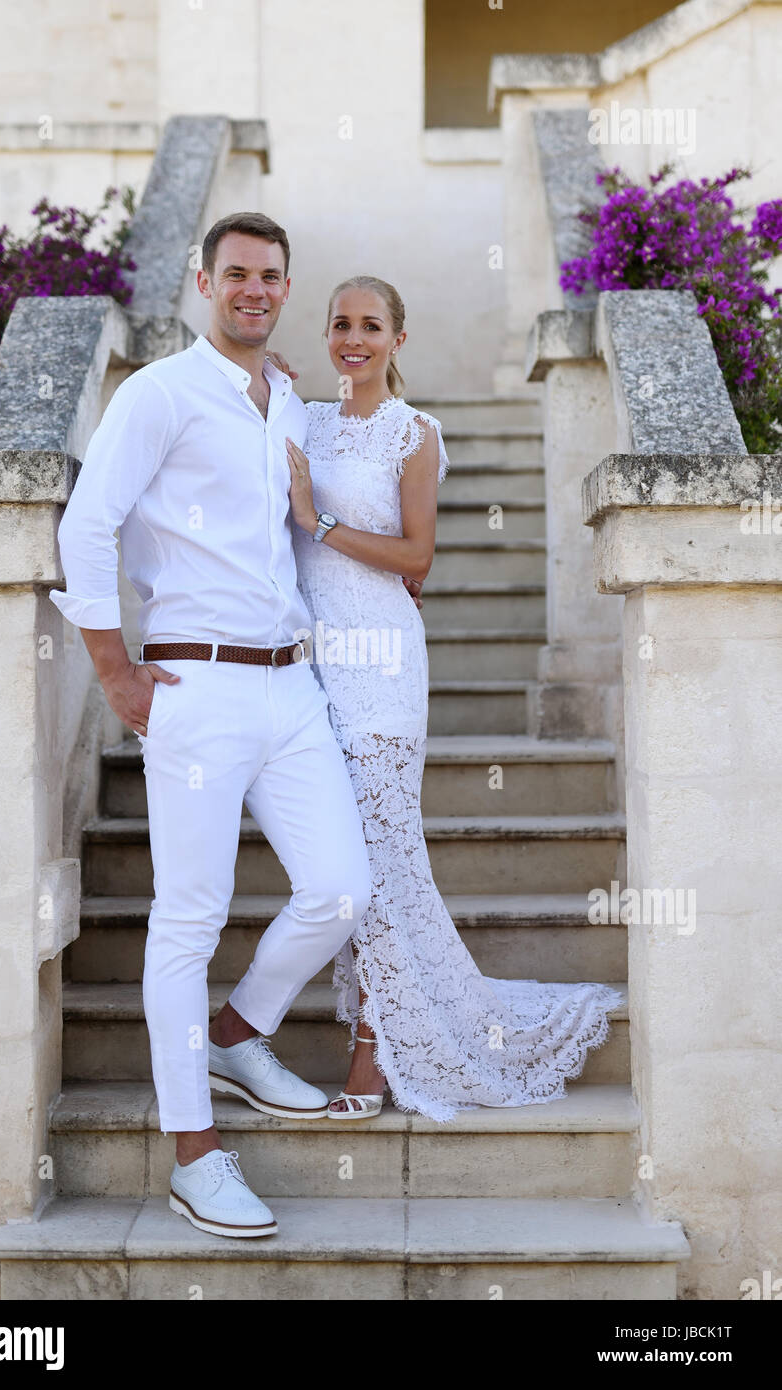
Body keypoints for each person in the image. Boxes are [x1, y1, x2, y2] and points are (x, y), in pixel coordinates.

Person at [48, 214, 380, 1238]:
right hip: (193, 689)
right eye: (234, 273)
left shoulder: (282, 394)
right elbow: (87, 523)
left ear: (285, 287)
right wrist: (114, 669)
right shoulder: (157, 393)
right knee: (188, 919)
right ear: (202, 281)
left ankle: (238, 1033)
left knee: (339, 886)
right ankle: (195, 1151)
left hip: (290, 689)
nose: (252, 289)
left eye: (270, 276)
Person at [285, 275, 624, 1123]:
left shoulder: (414, 434)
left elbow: (416, 560)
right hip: (316, 666)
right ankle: (406, 1026)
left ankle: (373, 1056)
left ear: (398, 338)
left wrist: (315, 522)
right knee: (350, 870)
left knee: (382, 860)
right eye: (339, 324)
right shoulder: (304, 422)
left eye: (370, 325)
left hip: (384, 667)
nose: (352, 339)